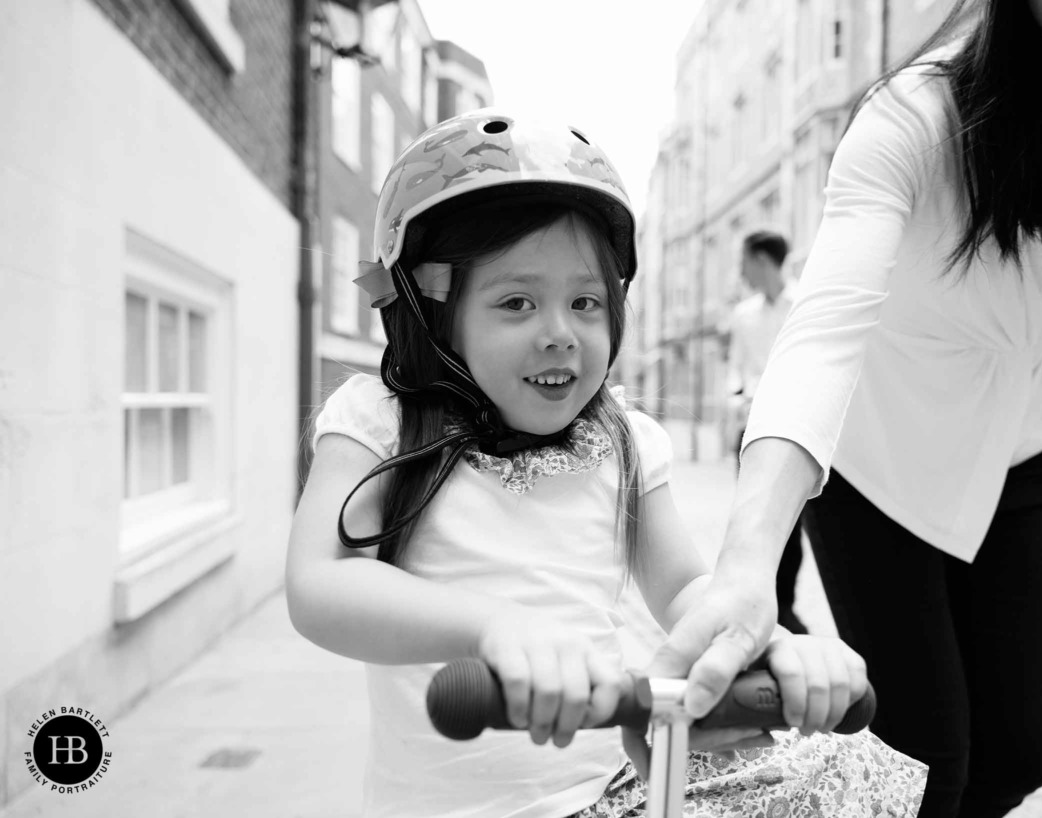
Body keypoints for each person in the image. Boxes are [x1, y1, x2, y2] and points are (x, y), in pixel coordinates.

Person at [648, 0, 1042, 816]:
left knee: (1022, 750)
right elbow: (821, 335)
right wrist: (746, 567)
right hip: (871, 468)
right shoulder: (914, 117)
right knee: (928, 760)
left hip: (1012, 464)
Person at [285, 110, 926, 818]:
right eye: (517, 302)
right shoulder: (381, 421)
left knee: (839, 774)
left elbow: (684, 588)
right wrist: (494, 625)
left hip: (616, 791)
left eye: (585, 301)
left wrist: (770, 644)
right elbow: (320, 583)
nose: (561, 333)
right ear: (428, 311)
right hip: (449, 807)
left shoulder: (623, 438)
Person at [727, 230, 808, 635]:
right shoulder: (743, 315)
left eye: (743, 260)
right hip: (754, 428)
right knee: (756, 519)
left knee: (795, 524)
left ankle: (785, 608)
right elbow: (736, 369)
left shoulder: (807, 304)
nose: (739, 270)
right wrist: (737, 397)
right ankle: (767, 609)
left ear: (761, 259)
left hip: (802, 428)